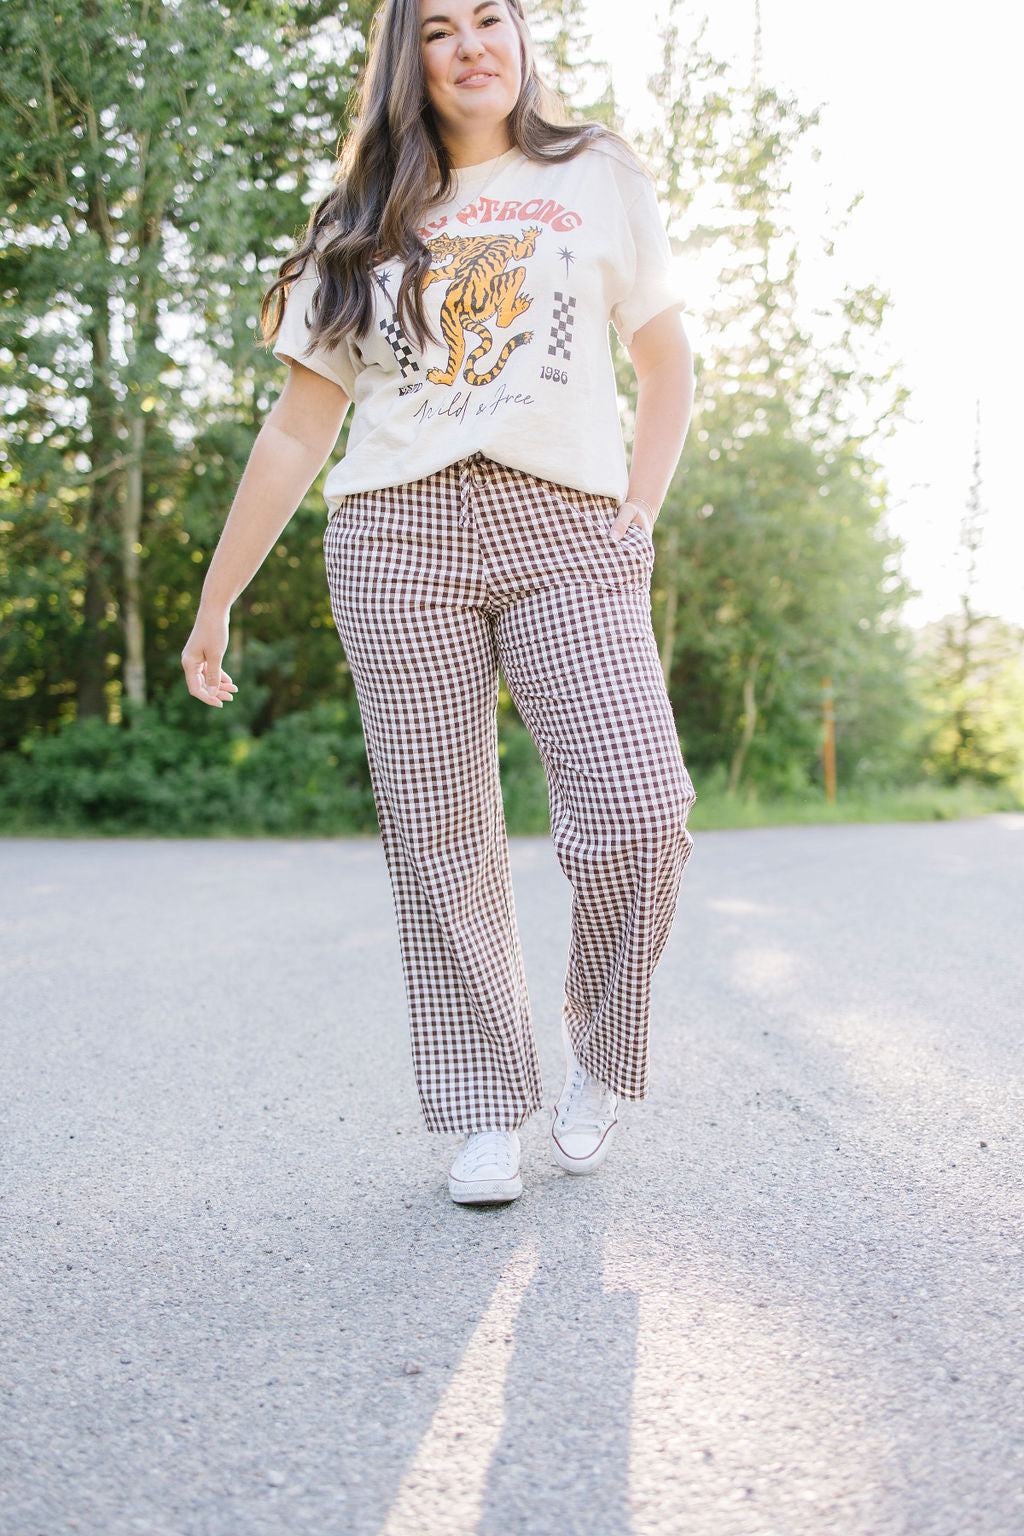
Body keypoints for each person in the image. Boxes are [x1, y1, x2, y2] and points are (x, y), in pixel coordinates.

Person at [181, 0, 696, 1206]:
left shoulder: (595, 171)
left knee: (640, 808)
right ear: (404, 57)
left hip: (567, 524)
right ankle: (482, 1108)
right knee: (439, 830)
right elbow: (299, 426)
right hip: (397, 533)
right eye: (439, 27)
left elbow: (665, 359)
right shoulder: (358, 221)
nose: (472, 43)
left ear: (522, 37)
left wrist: (640, 508)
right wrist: (216, 602)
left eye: (493, 17)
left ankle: (598, 1052)